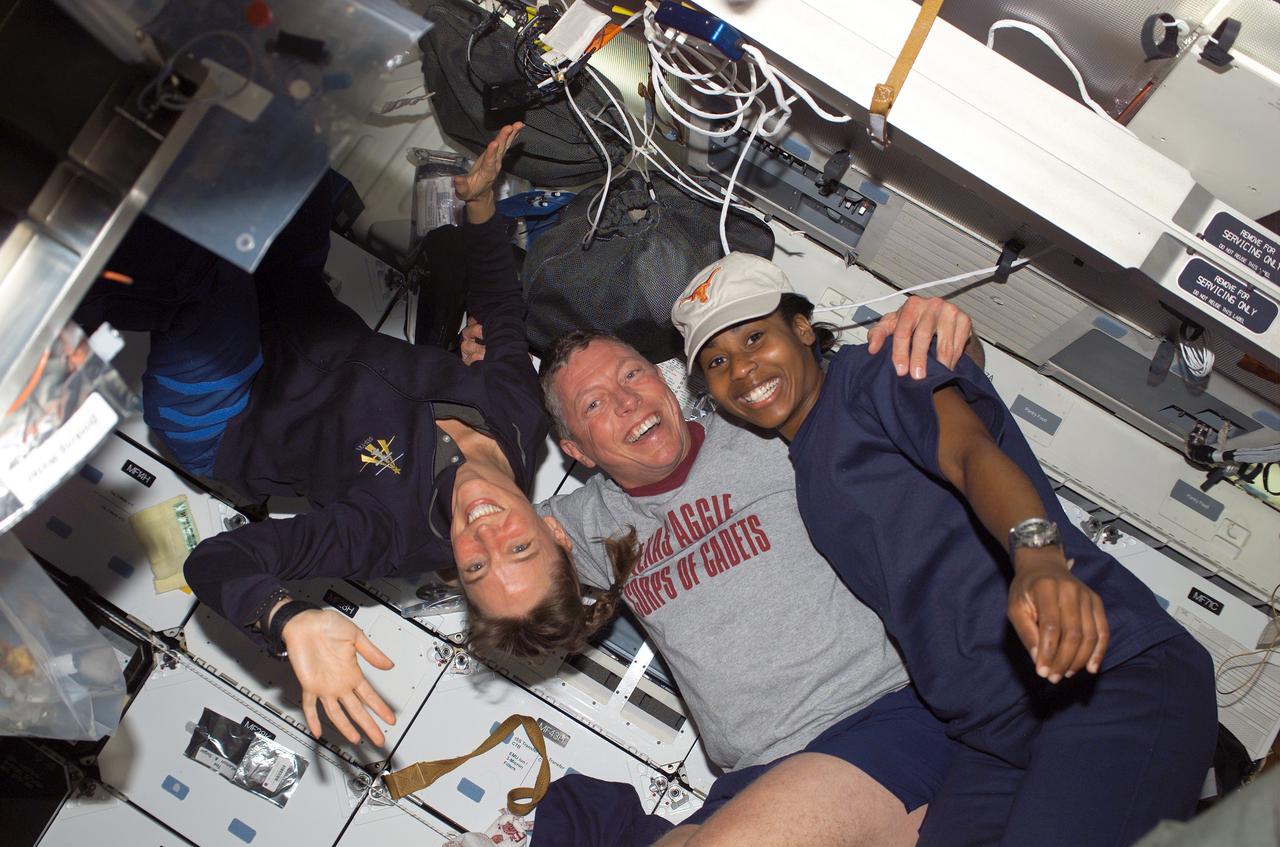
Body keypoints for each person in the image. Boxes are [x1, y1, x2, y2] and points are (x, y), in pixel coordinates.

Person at [672, 252, 1218, 847]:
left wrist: (1037, 558)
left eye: (756, 337)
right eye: (717, 361)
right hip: (993, 731)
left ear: (803, 329)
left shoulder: (874, 375)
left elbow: (971, 453)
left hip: (1109, 673)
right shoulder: (805, 467)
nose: (744, 369)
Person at [76, 125, 587, 748]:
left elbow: (216, 561)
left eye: (478, 565)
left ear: (457, 573)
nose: (484, 533)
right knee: (296, 155)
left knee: (198, 269)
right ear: (553, 531)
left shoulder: (385, 536)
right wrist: (480, 205)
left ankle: (47, 256)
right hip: (295, 307)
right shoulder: (520, 421)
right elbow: (504, 314)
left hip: (230, 411)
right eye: (521, 550)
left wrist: (286, 619)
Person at [466, 296, 977, 847]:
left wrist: (949, 335)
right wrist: (480, 395)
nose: (626, 400)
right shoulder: (585, 522)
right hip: (754, 774)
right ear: (577, 451)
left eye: (633, 373)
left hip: (877, 717)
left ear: (664, 381)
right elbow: (458, 536)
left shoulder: (767, 431)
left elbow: (911, 390)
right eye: (593, 405)